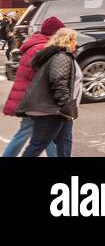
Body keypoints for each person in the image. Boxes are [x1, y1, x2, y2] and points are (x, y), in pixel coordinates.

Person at [2, 15, 63, 157]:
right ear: (54, 33)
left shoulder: (35, 45)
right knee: (32, 132)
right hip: (34, 100)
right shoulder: (42, 48)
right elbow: (47, 75)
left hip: (30, 97)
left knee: (44, 133)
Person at [18, 27, 81, 157]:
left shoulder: (57, 56)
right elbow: (58, 80)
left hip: (58, 109)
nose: (76, 43)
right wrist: (66, 105)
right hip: (51, 110)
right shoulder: (62, 57)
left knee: (64, 142)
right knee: (37, 145)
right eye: (75, 40)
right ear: (68, 40)